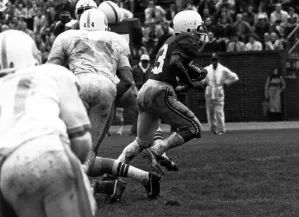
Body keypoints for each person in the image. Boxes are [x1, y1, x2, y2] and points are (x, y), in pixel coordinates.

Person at [47, 9, 162, 200]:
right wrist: (109, 100)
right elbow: (127, 79)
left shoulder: (68, 36)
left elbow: (51, 70)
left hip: (78, 86)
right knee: (88, 156)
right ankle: (143, 178)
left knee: (75, 149)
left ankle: (83, 191)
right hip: (107, 87)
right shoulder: (115, 39)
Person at [0, 30, 96, 217]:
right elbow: (81, 139)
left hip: (5, 168)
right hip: (49, 151)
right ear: (33, 54)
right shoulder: (53, 73)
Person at [117, 10, 208, 176]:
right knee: (194, 128)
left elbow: (176, 64)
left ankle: (113, 171)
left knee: (141, 142)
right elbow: (175, 63)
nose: (200, 31)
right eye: (198, 26)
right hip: (160, 91)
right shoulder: (188, 38)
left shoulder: (170, 40)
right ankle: (157, 150)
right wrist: (191, 82)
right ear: (189, 27)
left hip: (146, 89)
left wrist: (194, 72)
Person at [203, 53, 239, 135]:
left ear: (218, 60)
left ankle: (221, 130)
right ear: (211, 60)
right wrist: (203, 83)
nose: (214, 61)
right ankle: (213, 130)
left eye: (215, 60)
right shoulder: (207, 69)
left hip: (218, 92)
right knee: (210, 112)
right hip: (209, 91)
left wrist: (226, 83)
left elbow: (235, 77)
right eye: (213, 60)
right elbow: (201, 79)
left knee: (219, 112)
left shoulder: (223, 69)